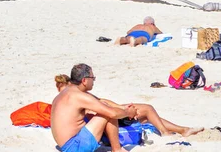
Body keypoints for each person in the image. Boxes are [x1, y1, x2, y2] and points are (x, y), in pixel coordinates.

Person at [54, 74, 204, 138]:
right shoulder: (75, 97)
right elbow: (103, 109)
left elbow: (102, 100)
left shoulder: (69, 97)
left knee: (145, 114)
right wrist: (122, 111)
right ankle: (167, 133)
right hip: (103, 124)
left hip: (104, 118)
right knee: (147, 110)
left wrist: (120, 107)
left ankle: (181, 130)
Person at [51, 64, 134, 152]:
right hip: (75, 147)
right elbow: (112, 113)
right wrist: (128, 113)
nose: (94, 81)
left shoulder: (68, 91)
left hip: (65, 145)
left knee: (101, 108)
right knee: (107, 111)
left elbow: (98, 100)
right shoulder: (79, 96)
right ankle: (117, 149)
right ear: (84, 80)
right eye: (92, 78)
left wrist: (122, 107)